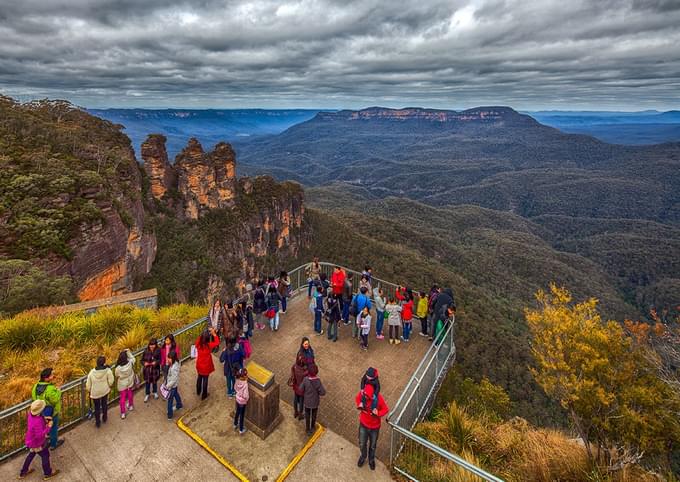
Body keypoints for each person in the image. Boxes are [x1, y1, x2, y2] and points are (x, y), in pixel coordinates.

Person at [19, 399, 59, 479]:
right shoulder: (37, 422)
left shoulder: (31, 415)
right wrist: (48, 427)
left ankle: (23, 472)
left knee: (31, 455)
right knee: (45, 455)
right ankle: (47, 473)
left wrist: (45, 418)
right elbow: (39, 435)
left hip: (30, 440)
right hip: (37, 443)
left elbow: (38, 419)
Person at [355, 383, 389, 471]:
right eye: (365, 396)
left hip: (375, 427)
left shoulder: (379, 398)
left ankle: (371, 460)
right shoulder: (362, 394)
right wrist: (359, 404)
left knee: (373, 446)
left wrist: (378, 413)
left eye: (368, 397)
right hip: (363, 424)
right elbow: (357, 398)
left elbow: (385, 409)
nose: (366, 398)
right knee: (362, 443)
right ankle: (363, 456)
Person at [31, 368, 64, 450]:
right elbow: (55, 399)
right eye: (52, 375)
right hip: (52, 412)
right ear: (46, 378)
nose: (53, 376)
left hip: (41, 412)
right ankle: (54, 444)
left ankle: (47, 440)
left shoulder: (35, 386)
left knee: (46, 426)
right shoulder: (49, 389)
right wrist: (59, 390)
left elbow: (34, 398)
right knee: (53, 428)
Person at [86, 356, 114, 428]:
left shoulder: (92, 372)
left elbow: (88, 385)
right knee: (104, 404)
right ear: (104, 363)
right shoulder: (107, 370)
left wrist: (89, 390)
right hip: (104, 390)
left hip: (95, 393)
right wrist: (108, 385)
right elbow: (111, 381)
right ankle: (104, 418)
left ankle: (98, 422)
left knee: (97, 407)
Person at [300, 364, 326, 435]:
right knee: (314, 415)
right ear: (316, 372)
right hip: (315, 402)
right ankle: (313, 426)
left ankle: (307, 429)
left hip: (307, 402)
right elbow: (323, 392)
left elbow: (301, 388)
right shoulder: (318, 381)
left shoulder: (305, 379)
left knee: (307, 415)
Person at [195, 328, 220, 400]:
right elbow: (217, 342)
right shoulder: (209, 345)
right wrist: (214, 334)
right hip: (206, 366)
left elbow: (199, 339)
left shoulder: (198, 345)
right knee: (205, 380)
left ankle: (198, 391)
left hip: (199, 364)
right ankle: (204, 394)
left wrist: (203, 334)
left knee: (199, 377)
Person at [115, 348, 136, 420]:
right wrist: (128, 351)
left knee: (122, 398)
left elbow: (116, 375)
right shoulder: (130, 363)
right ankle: (130, 405)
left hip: (122, 384)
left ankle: (123, 412)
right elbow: (133, 358)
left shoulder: (118, 368)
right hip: (129, 381)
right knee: (130, 393)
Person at [142, 338, 161, 402]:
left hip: (155, 370)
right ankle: (147, 394)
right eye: (150, 345)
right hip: (147, 371)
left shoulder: (158, 351)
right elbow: (142, 360)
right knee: (147, 383)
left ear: (155, 345)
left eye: (153, 345)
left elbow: (160, 360)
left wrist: (156, 362)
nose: (151, 346)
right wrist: (144, 363)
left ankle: (155, 392)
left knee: (154, 382)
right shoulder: (146, 351)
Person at [165, 351, 183, 420]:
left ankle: (170, 415)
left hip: (172, 386)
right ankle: (179, 404)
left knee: (170, 400)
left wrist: (167, 386)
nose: (168, 359)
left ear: (173, 358)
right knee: (176, 394)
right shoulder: (175, 363)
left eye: (169, 358)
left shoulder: (174, 368)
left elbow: (173, 379)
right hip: (174, 386)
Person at [289, 355, 308, 420]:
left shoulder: (295, 366)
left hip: (296, 386)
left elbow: (292, 368)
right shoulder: (305, 372)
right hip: (302, 389)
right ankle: (300, 415)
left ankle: (295, 412)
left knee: (295, 399)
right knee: (301, 401)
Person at [233, 368, 250, 435]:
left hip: (237, 399)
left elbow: (235, 388)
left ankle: (235, 424)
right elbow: (245, 395)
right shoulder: (245, 384)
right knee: (242, 415)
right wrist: (246, 399)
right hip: (242, 402)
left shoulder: (237, 380)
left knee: (237, 412)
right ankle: (241, 429)